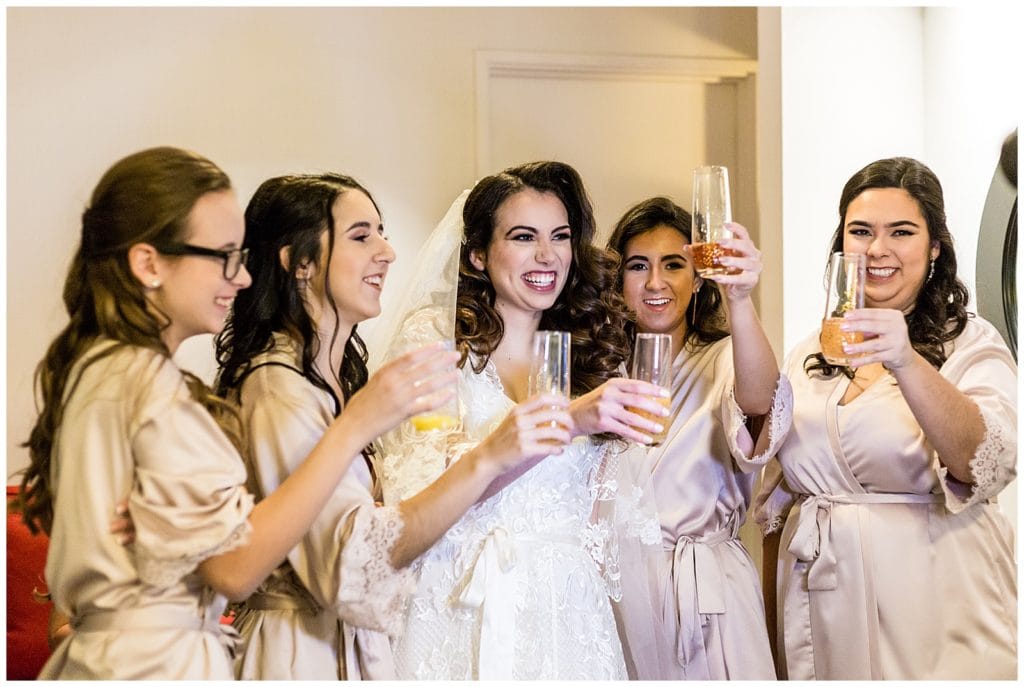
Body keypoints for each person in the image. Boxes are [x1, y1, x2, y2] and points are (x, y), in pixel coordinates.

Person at [16, 147, 455, 679]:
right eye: (222, 255)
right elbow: (236, 568)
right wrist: (356, 425)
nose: (243, 277)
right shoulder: (139, 382)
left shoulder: (129, 375)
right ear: (149, 263)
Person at [214, 173, 570, 679]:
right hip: (294, 653)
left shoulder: (338, 379)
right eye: (362, 237)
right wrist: (492, 455)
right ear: (299, 263)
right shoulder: (279, 387)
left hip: (340, 643)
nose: (388, 251)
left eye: (381, 232)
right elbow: (348, 563)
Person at [376, 161, 668, 680]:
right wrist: (569, 422)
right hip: (460, 596)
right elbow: (423, 490)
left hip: (565, 607)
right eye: (523, 237)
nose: (546, 255)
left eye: (560, 236)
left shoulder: (590, 352)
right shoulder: (439, 343)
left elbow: (600, 516)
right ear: (478, 254)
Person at [754, 157, 1018, 679]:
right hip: (820, 606)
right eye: (860, 231)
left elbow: (984, 463)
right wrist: (768, 641)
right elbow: (774, 506)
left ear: (935, 246)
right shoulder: (811, 354)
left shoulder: (970, 344)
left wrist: (906, 359)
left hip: (938, 605)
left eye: (901, 232)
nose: (878, 249)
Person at [604, 196, 790, 679]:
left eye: (673, 265)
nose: (655, 283)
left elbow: (759, 401)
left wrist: (740, 297)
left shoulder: (725, 357)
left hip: (707, 593)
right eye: (637, 266)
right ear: (617, 278)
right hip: (618, 593)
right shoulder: (598, 374)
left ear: (697, 277)